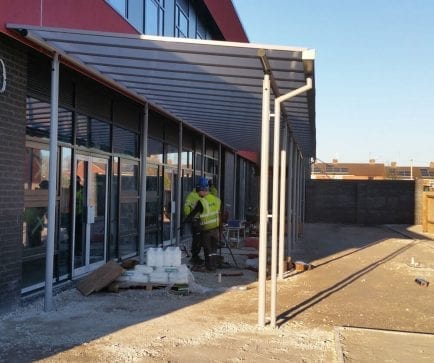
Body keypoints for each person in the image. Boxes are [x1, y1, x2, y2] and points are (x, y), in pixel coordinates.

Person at [184, 176, 221, 272]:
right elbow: (187, 209)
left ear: (202, 189)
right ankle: (211, 264)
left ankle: (209, 265)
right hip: (213, 227)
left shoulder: (203, 200)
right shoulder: (215, 199)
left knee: (207, 248)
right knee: (211, 248)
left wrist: (190, 218)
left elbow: (197, 212)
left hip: (205, 227)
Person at [183, 181, 203, 265]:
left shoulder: (203, 195)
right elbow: (186, 206)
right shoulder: (192, 195)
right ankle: (194, 256)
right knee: (196, 239)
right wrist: (190, 217)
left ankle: (196, 256)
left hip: (202, 220)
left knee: (200, 239)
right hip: (195, 220)